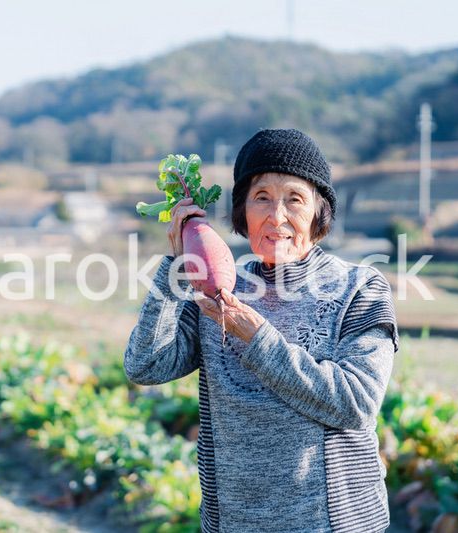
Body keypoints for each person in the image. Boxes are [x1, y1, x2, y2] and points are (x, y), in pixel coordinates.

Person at [124, 128, 398, 533]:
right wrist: (177, 266)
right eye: (262, 197)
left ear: (319, 211)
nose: (277, 216)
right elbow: (146, 365)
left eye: (295, 199)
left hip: (332, 524)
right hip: (234, 522)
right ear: (243, 211)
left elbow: (356, 404)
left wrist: (256, 337)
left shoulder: (360, 288)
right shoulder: (219, 290)